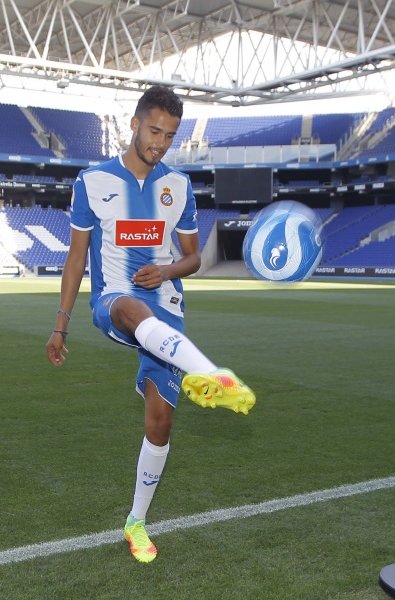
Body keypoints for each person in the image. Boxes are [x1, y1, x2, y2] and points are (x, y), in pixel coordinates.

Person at [46, 86, 256, 564]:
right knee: (129, 308)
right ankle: (211, 375)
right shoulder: (92, 181)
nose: (160, 143)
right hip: (115, 298)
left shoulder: (178, 185)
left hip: (167, 305)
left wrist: (165, 272)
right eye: (154, 131)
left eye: (169, 136)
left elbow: (193, 257)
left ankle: (135, 522)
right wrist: (61, 324)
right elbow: (76, 257)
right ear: (135, 123)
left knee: (160, 423)